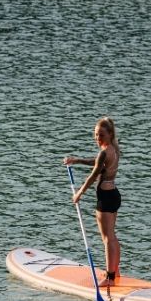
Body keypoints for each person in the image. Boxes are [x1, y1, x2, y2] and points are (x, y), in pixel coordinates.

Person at [63, 116, 122, 286]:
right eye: (96, 135)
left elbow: (94, 174)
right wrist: (77, 160)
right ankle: (115, 271)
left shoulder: (105, 152)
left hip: (105, 198)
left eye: (101, 135)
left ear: (110, 134)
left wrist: (79, 193)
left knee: (107, 238)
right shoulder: (114, 149)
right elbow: (98, 164)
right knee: (112, 236)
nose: (98, 138)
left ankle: (110, 278)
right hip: (114, 195)